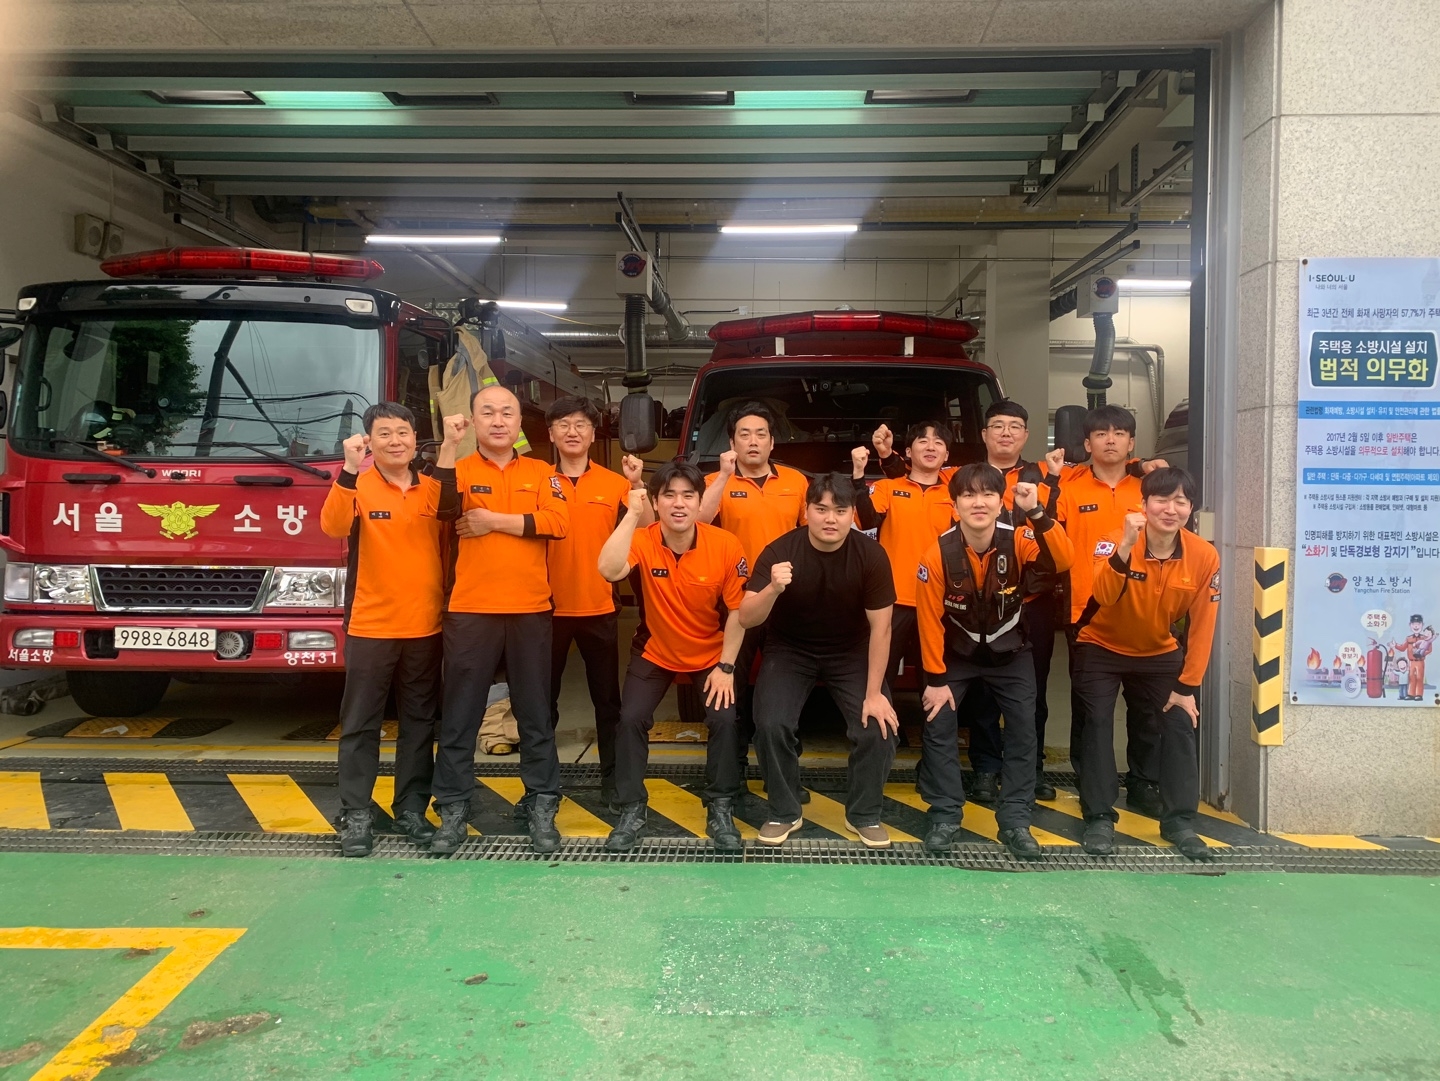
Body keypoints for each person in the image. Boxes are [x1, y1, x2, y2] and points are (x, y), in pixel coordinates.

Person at [426, 386, 570, 855]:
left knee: (535, 715)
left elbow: (558, 522)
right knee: (460, 716)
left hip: (530, 609)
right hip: (471, 610)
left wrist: (492, 520)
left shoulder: (542, 472)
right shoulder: (459, 470)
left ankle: (541, 804)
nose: (498, 420)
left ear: (519, 423)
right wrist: (449, 447)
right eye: (487, 412)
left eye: (507, 412)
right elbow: (440, 509)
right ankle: (453, 809)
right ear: (473, 420)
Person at [914, 463, 1074, 858]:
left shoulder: (1019, 538)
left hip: (1011, 653)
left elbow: (1063, 560)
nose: (978, 503)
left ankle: (1016, 820)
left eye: (988, 494)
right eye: (968, 495)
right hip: (957, 654)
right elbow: (929, 620)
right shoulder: (936, 553)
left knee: (1023, 729)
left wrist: (1036, 512)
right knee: (938, 724)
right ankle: (945, 815)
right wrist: (935, 680)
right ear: (955, 505)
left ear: (1001, 503)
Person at [740, 473, 899, 848]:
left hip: (851, 649)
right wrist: (773, 588)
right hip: (790, 649)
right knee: (771, 723)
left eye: (840, 511)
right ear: (807, 510)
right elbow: (746, 618)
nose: (830, 518)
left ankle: (863, 814)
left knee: (878, 726)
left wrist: (874, 694)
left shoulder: (871, 555)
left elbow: (881, 629)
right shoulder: (780, 552)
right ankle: (784, 811)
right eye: (821, 509)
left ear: (852, 514)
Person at [596, 461, 748, 851]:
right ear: (656, 502)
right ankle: (631, 809)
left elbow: (738, 612)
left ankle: (721, 806)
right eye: (669, 495)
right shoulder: (642, 539)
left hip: (710, 653)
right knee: (630, 719)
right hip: (656, 651)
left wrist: (727, 667)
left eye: (687, 496)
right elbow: (609, 570)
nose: (678, 504)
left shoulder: (725, 545)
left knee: (725, 720)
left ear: (700, 502)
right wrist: (631, 514)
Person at [1071, 467, 1221, 859]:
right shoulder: (1113, 540)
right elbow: (1104, 595)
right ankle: (1099, 816)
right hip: (1101, 646)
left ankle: (1179, 821)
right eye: (1161, 500)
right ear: (1144, 504)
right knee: (1096, 722)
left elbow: (1203, 625)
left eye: (1180, 501)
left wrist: (1187, 687)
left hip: (1158, 651)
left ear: (1191, 508)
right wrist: (1125, 545)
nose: (1170, 509)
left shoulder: (1204, 556)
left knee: (1179, 722)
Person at [320, 402, 445, 857]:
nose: (396, 441)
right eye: (385, 433)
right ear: (369, 442)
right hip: (371, 625)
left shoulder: (433, 489)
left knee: (419, 724)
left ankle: (411, 808)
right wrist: (349, 470)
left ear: (415, 438)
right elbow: (333, 526)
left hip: (425, 626)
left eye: (403, 432)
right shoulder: (357, 485)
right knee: (360, 724)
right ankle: (356, 812)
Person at [1054, 404, 1163, 818]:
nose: (1110, 440)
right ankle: (1090, 783)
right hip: (1087, 615)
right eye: (1101, 434)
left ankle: (1143, 781)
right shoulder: (1070, 487)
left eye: (1119, 433)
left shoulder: (1149, 489)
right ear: (1087, 444)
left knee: (1146, 708)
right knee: (1090, 709)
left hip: (1144, 613)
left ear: (1132, 443)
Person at [544, 394, 648, 807]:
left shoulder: (615, 483)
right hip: (544, 610)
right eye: (563, 424)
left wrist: (637, 484)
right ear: (551, 434)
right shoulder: (538, 481)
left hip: (599, 608)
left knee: (607, 703)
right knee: (542, 706)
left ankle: (613, 781)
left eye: (581, 425)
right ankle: (544, 787)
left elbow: (649, 528)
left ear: (592, 435)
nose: (572, 432)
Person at [699, 401, 808, 775]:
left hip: (786, 599)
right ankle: (734, 769)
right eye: (744, 434)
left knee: (787, 687)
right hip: (737, 602)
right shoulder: (716, 482)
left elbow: (812, 534)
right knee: (733, 684)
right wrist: (723, 476)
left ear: (772, 442)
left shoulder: (796, 481)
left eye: (761, 434)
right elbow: (698, 522)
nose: (753, 441)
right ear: (731, 443)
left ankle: (784, 772)